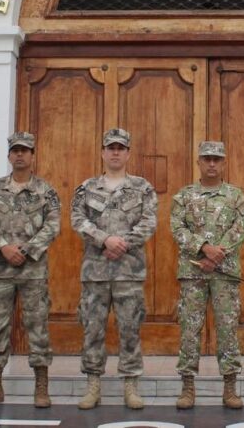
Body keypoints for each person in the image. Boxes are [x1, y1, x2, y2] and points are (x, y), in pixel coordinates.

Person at [70, 128, 158, 410]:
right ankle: (93, 385)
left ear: (128, 153)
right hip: (95, 272)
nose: (116, 152)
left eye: (121, 148)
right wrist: (104, 239)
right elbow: (77, 219)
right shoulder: (86, 188)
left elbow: (148, 223)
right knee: (92, 329)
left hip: (129, 272)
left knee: (130, 329)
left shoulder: (142, 188)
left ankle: (131, 385)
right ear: (103, 152)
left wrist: (123, 243)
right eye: (111, 147)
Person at [0, 132, 60, 408]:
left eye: (25, 150)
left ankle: (41, 386)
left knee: (38, 328)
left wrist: (28, 249)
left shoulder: (46, 191)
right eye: (15, 151)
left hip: (33, 270)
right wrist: (3, 247)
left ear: (33, 156)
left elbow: (53, 225)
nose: (20, 155)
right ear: (9, 156)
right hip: (0, 269)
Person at [170, 140, 244, 409]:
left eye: (217, 159)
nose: (212, 163)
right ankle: (187, 387)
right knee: (189, 330)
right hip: (193, 274)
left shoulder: (235, 196)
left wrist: (219, 254)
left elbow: (242, 227)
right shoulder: (184, 195)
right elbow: (176, 227)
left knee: (228, 329)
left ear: (224, 162)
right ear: (199, 162)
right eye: (207, 159)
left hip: (225, 274)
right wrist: (203, 249)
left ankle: (229, 388)